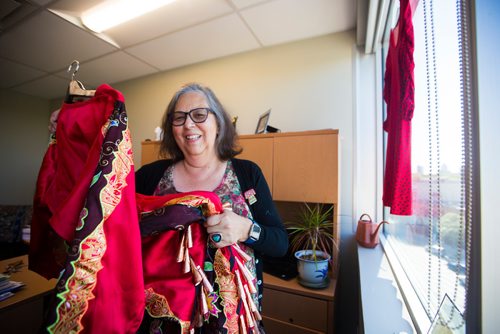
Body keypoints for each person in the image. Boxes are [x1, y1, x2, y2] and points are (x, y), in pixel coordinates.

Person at [135, 82, 288, 333]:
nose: (188, 125)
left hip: (233, 323)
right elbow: (104, 210)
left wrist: (246, 230)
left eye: (199, 115)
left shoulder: (247, 173)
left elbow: (280, 243)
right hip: (161, 321)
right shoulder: (149, 177)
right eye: (179, 118)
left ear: (218, 123)